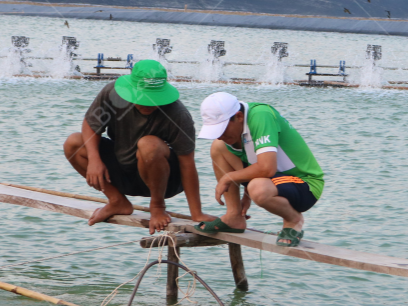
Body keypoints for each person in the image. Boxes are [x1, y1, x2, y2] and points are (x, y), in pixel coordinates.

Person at [63, 59, 213, 234]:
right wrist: (95, 159)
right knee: (73, 143)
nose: (148, 104)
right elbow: (91, 124)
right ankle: (116, 200)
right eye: (142, 98)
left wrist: (197, 213)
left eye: (153, 99)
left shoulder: (178, 114)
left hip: (162, 179)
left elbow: (187, 164)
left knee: (148, 144)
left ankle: (157, 206)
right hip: (123, 171)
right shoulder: (113, 94)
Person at [193, 92, 324, 247]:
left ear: (239, 117)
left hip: (304, 184)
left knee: (258, 188)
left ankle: (293, 219)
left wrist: (228, 178)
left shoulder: (262, 116)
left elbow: (266, 169)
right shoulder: (240, 123)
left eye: (222, 129)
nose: (220, 135)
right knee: (218, 147)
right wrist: (246, 195)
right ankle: (234, 216)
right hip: (273, 180)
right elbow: (255, 161)